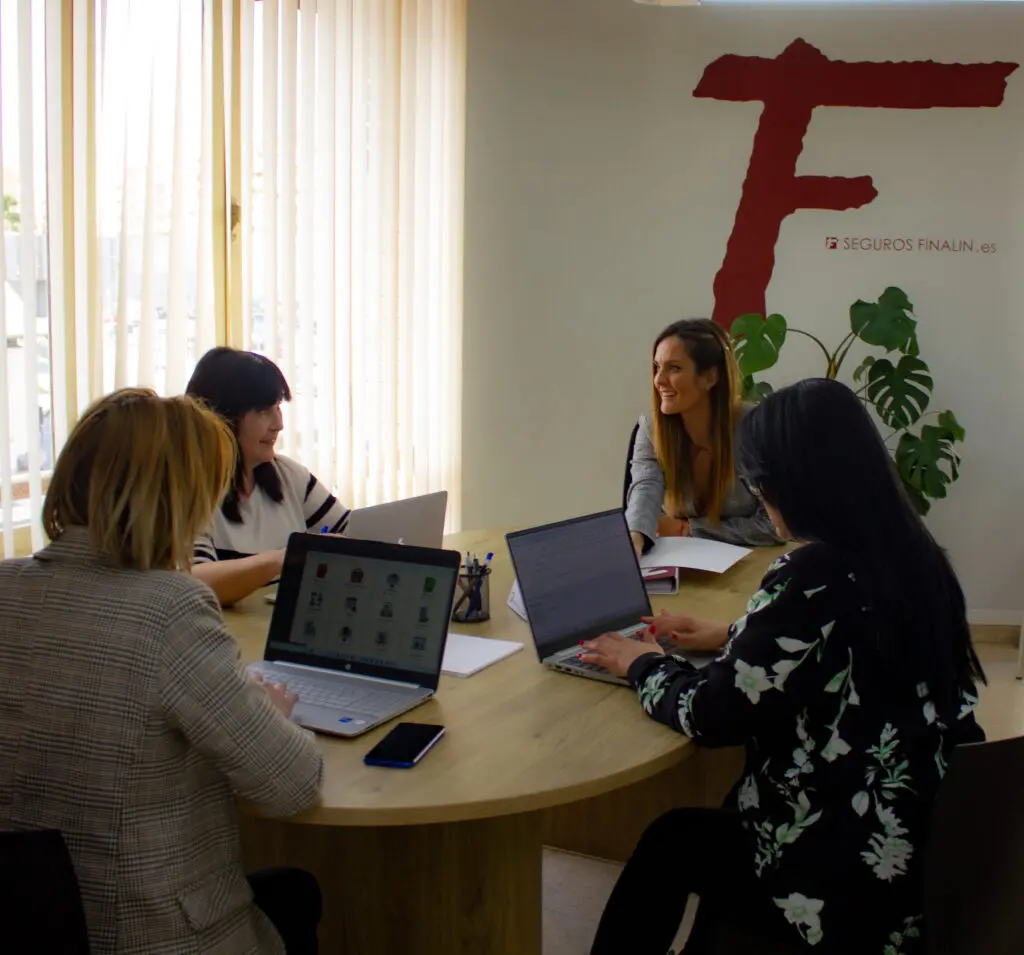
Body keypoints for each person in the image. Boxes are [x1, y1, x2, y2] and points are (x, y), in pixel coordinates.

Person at [583, 378, 986, 954]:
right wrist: (735, 634)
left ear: (797, 484)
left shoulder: (810, 575)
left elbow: (711, 716)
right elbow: (855, 646)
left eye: (757, 483)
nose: (758, 496)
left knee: (673, 840)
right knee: (719, 817)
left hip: (844, 869)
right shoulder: (916, 555)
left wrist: (641, 662)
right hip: (924, 838)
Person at [0, 389, 325, 955]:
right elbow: (292, 785)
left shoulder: (6, 586)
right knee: (299, 895)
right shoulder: (169, 609)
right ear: (177, 498)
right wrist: (270, 715)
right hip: (149, 931)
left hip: (28, 920)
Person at [186, 347, 350, 606]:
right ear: (221, 417)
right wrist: (284, 558)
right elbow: (195, 583)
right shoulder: (187, 491)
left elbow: (348, 532)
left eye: (277, 407)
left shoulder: (289, 476)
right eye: (263, 411)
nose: (278, 423)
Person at [626, 318, 780, 554]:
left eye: (674, 368)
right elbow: (645, 489)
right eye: (657, 367)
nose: (658, 380)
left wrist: (689, 529)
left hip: (753, 564)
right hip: (685, 564)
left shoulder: (754, 427)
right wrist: (634, 537)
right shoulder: (650, 428)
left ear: (710, 377)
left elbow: (773, 525)